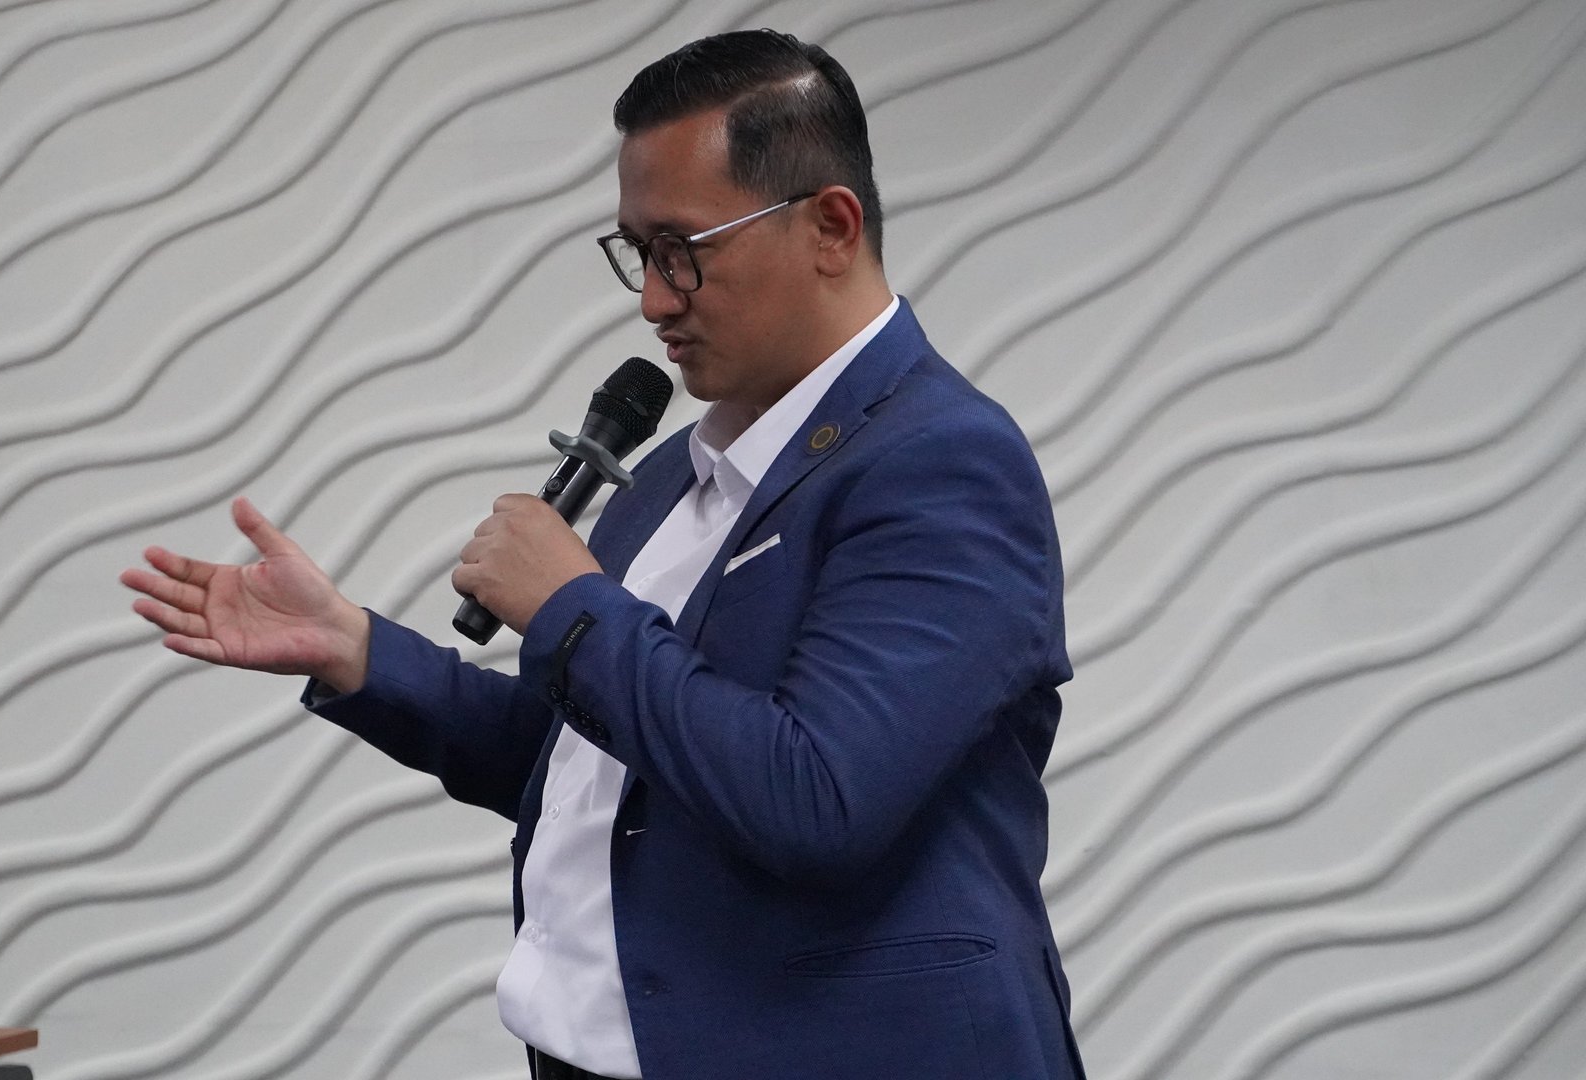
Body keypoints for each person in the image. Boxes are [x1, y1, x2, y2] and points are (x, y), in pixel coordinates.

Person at [122, 29, 1085, 1080]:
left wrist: (576, 608)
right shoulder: (675, 470)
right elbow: (584, 764)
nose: (653, 301)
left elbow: (817, 800)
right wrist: (353, 649)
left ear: (830, 227)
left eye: (685, 251)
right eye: (637, 251)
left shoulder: (941, 461)